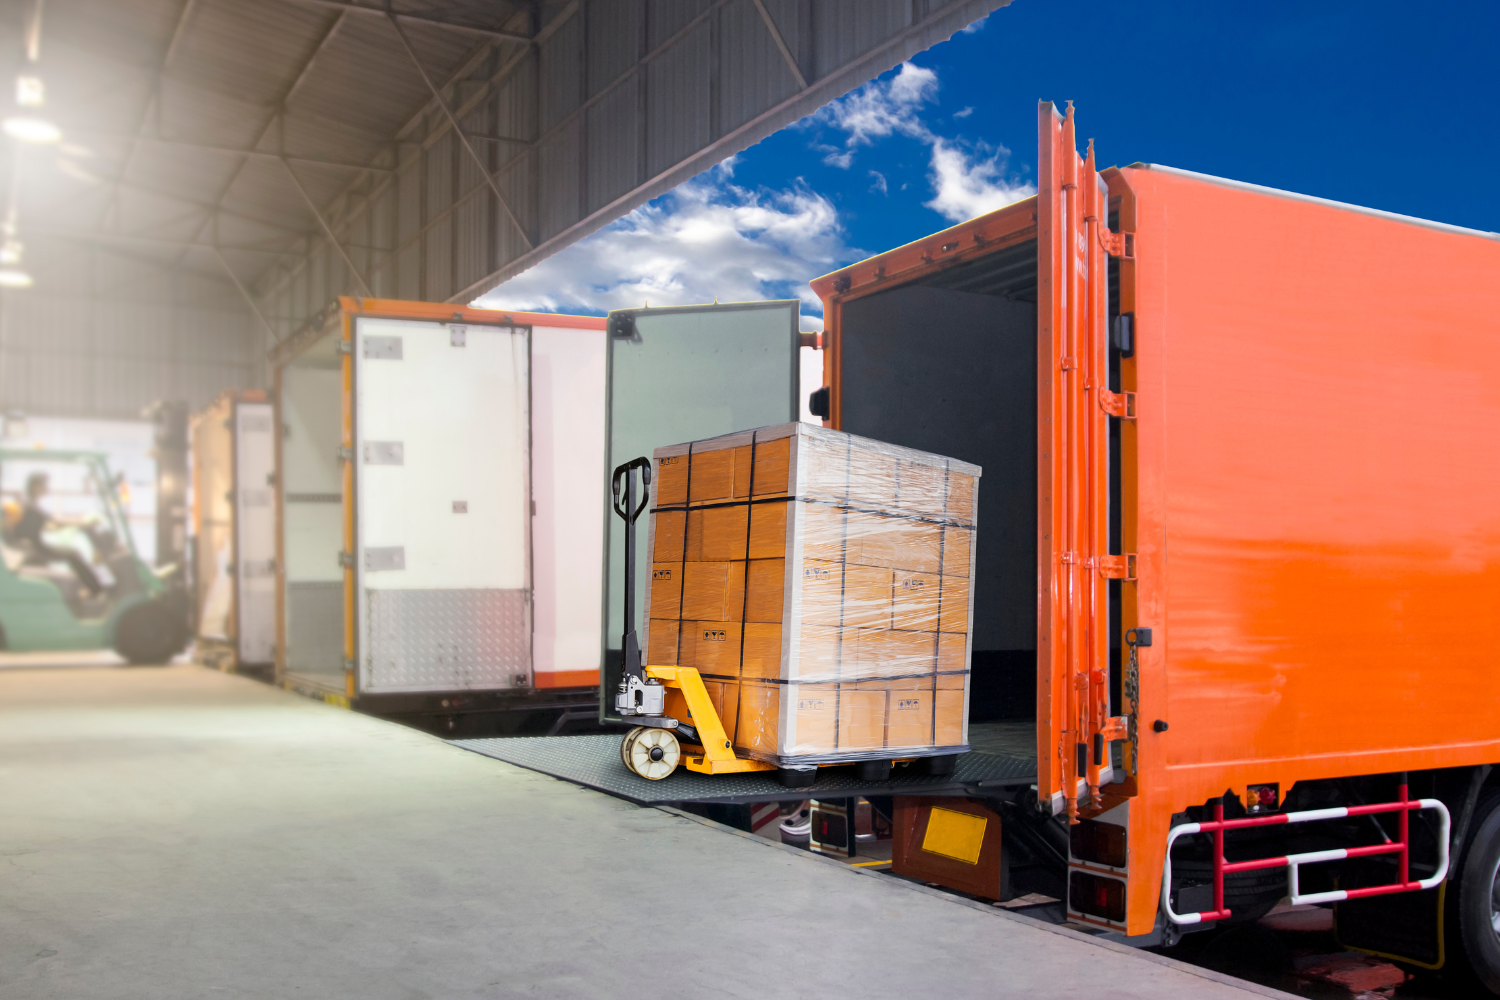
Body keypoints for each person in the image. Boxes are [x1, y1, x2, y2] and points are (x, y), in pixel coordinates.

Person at [13, 472, 103, 596]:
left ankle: (88, 588)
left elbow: (49, 526)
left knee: (72, 552)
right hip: (36, 549)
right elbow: (54, 520)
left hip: (34, 547)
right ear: (35, 486)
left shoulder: (31, 505)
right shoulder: (30, 506)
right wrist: (82, 522)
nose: (47, 488)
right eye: (44, 484)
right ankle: (96, 590)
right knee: (73, 553)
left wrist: (72, 525)